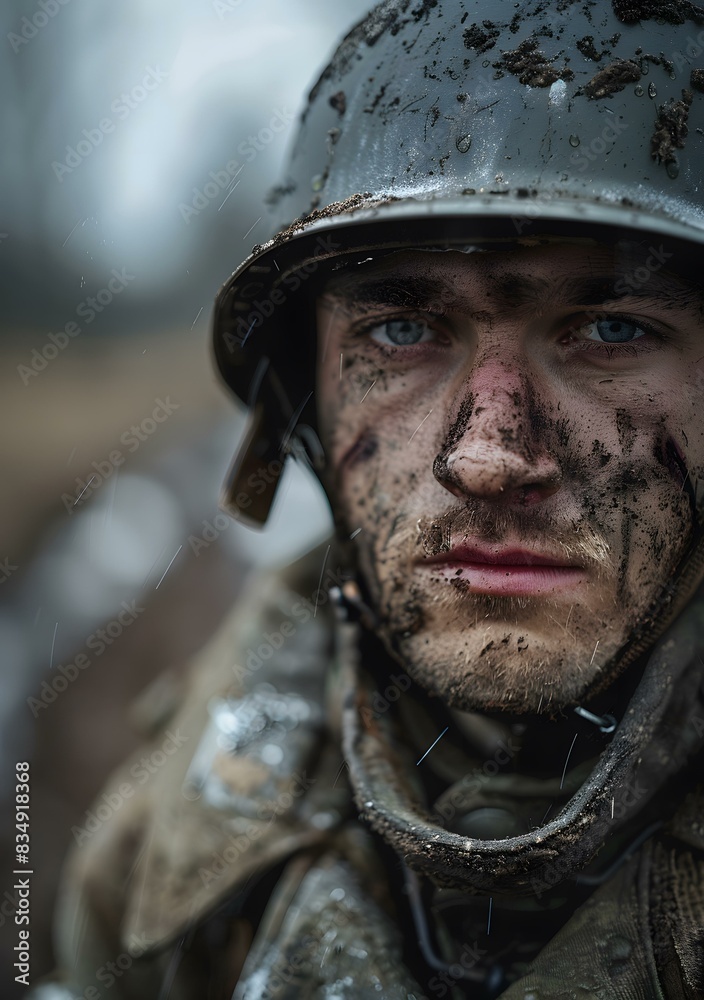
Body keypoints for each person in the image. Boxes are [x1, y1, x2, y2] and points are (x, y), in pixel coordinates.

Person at [34, 1, 704, 997]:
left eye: (608, 330)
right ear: (300, 406)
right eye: (399, 334)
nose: (487, 458)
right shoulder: (168, 849)